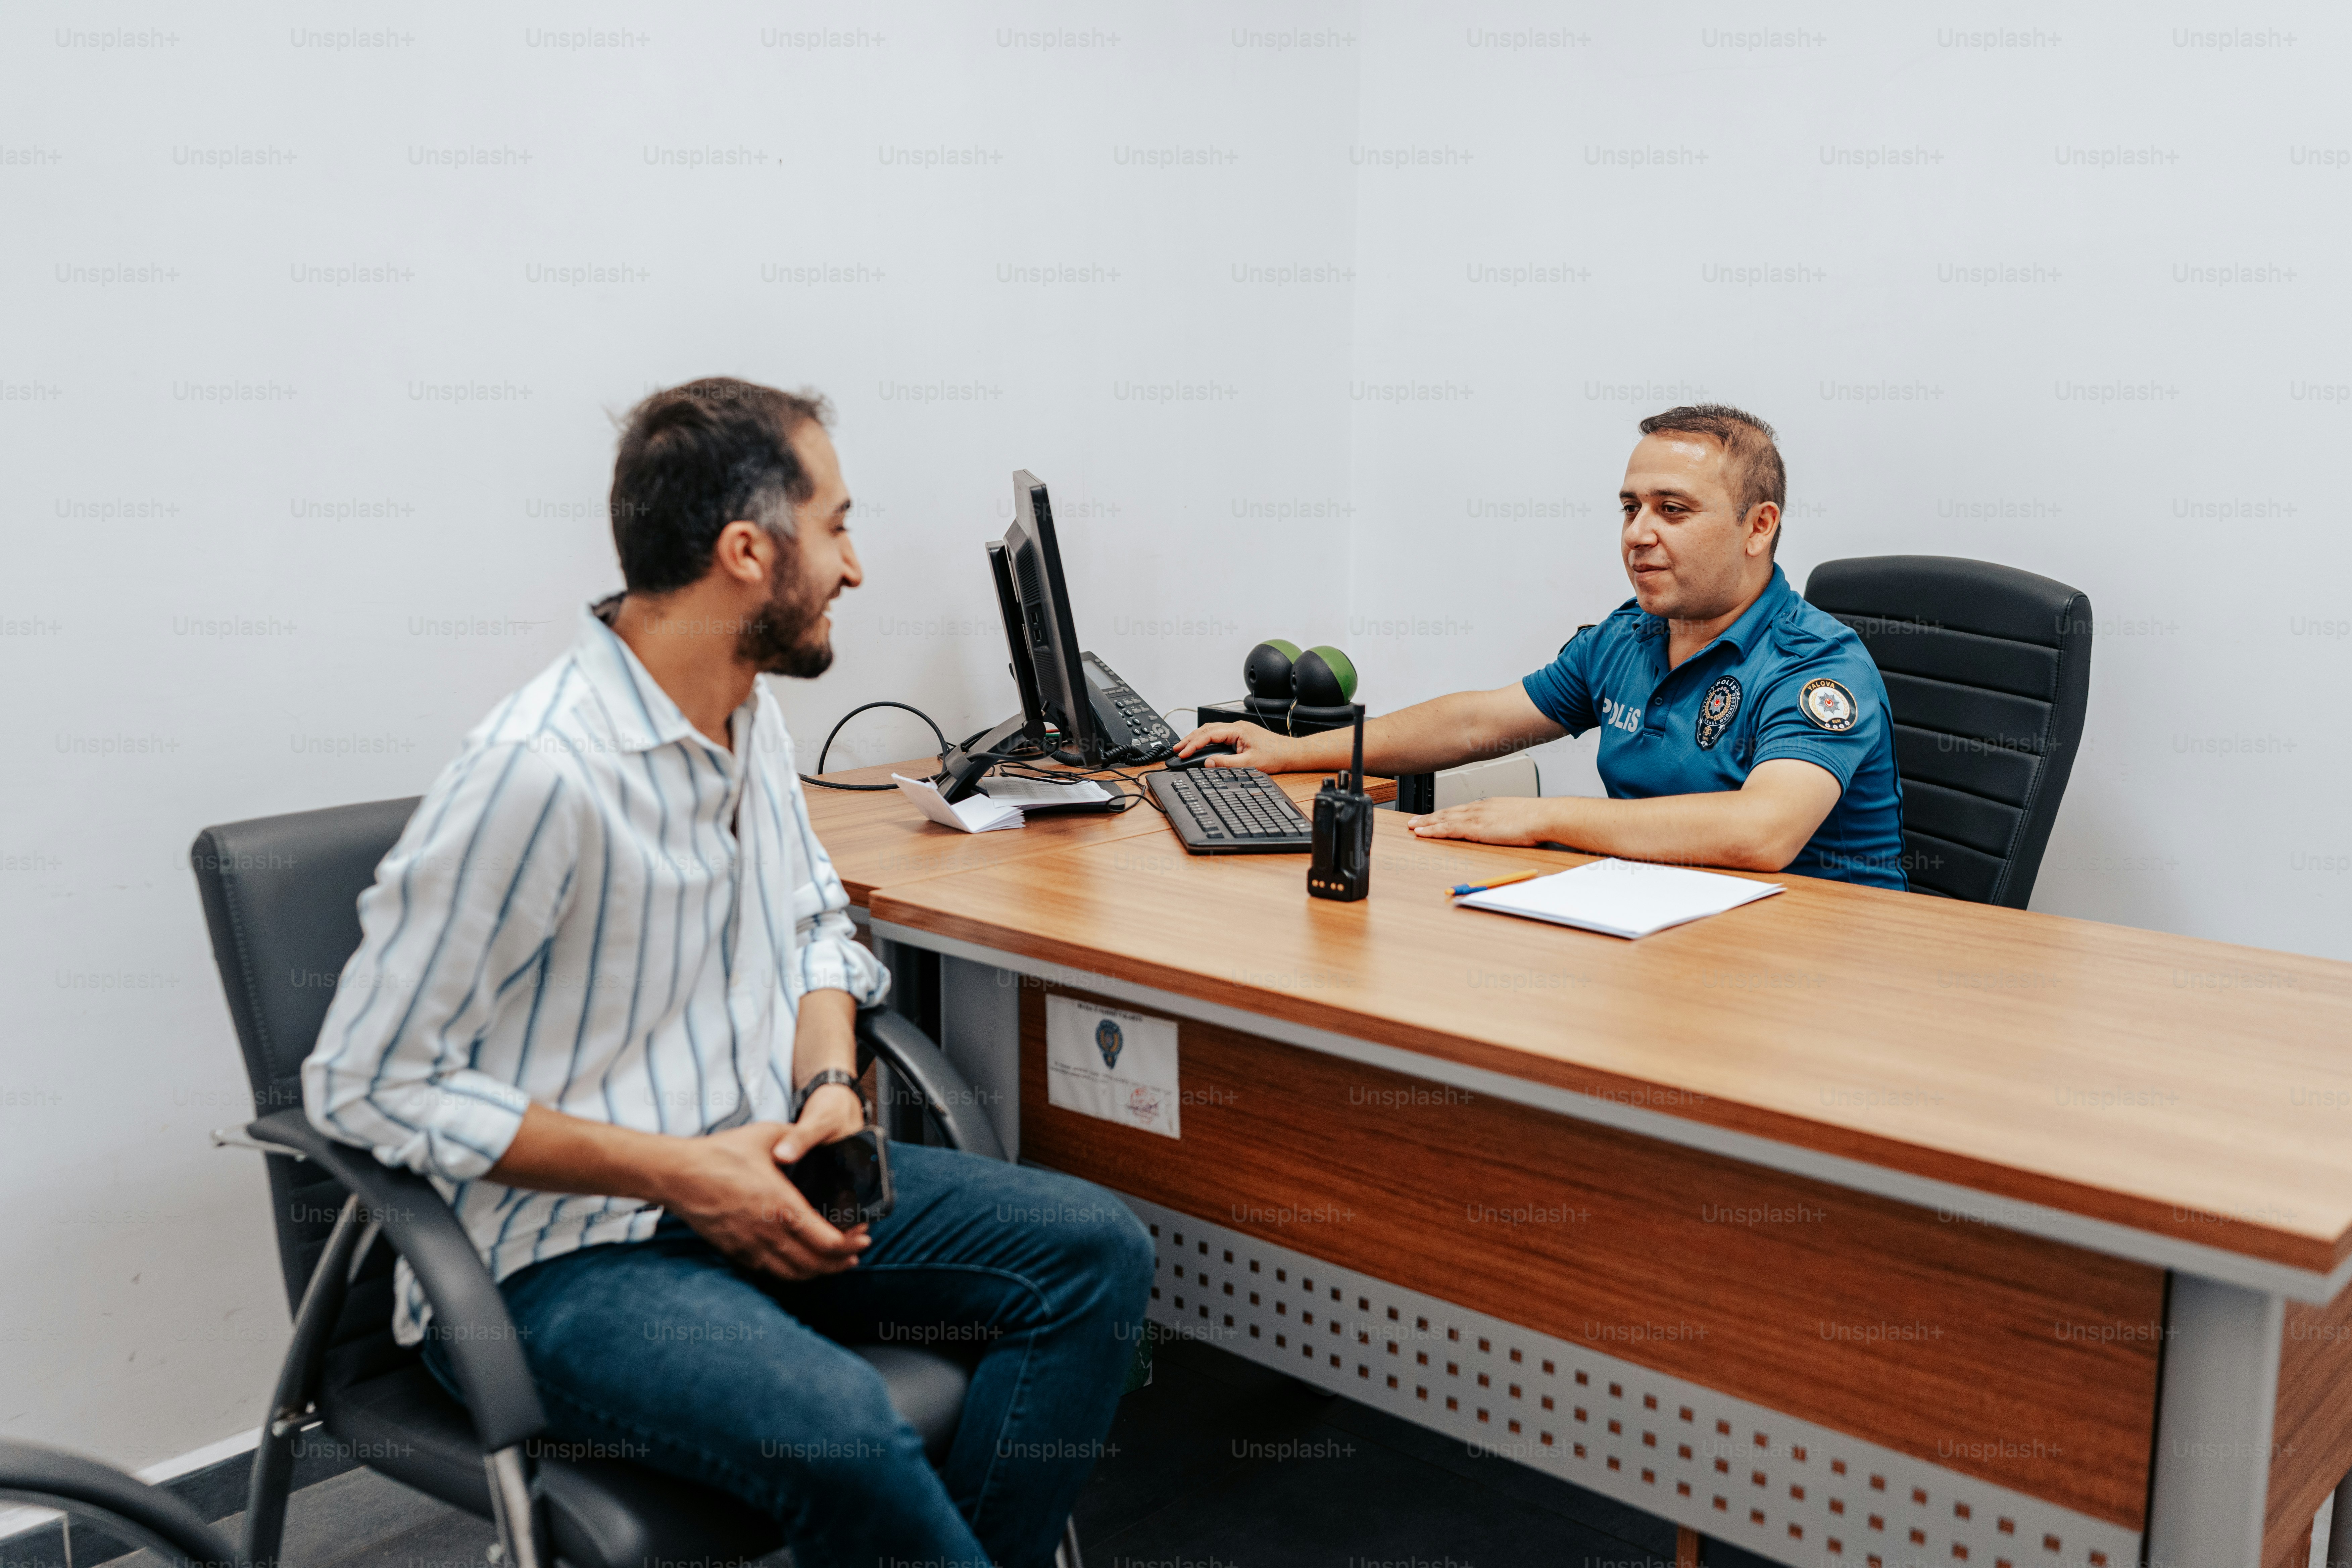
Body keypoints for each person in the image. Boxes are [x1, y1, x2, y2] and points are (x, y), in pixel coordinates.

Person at [303, 378, 1152, 1568]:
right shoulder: (540, 774)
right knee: (844, 1429)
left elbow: (813, 924)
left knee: (1094, 1256)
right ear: (748, 551)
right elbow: (363, 1084)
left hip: (764, 1174)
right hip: (562, 1260)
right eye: (839, 526)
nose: (854, 568)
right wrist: (685, 1175)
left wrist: (825, 1092)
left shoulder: (748, 718)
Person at [1180, 405, 1908, 888]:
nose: (1638, 533)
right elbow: (1475, 724)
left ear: (1759, 527)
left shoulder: (1817, 663)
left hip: (1822, 962)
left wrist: (1540, 816)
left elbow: (1762, 833)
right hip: (1672, 929)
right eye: (1631, 507)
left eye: (1674, 510)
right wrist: (1290, 749)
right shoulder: (1627, 638)